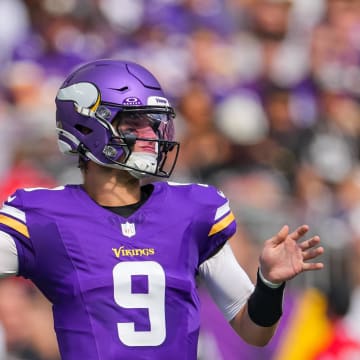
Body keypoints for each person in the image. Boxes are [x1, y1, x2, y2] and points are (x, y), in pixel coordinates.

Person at [0, 59, 324, 360]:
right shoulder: (42, 216)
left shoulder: (194, 211)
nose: (150, 136)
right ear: (86, 126)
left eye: (153, 124)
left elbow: (253, 332)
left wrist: (269, 284)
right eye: (133, 124)